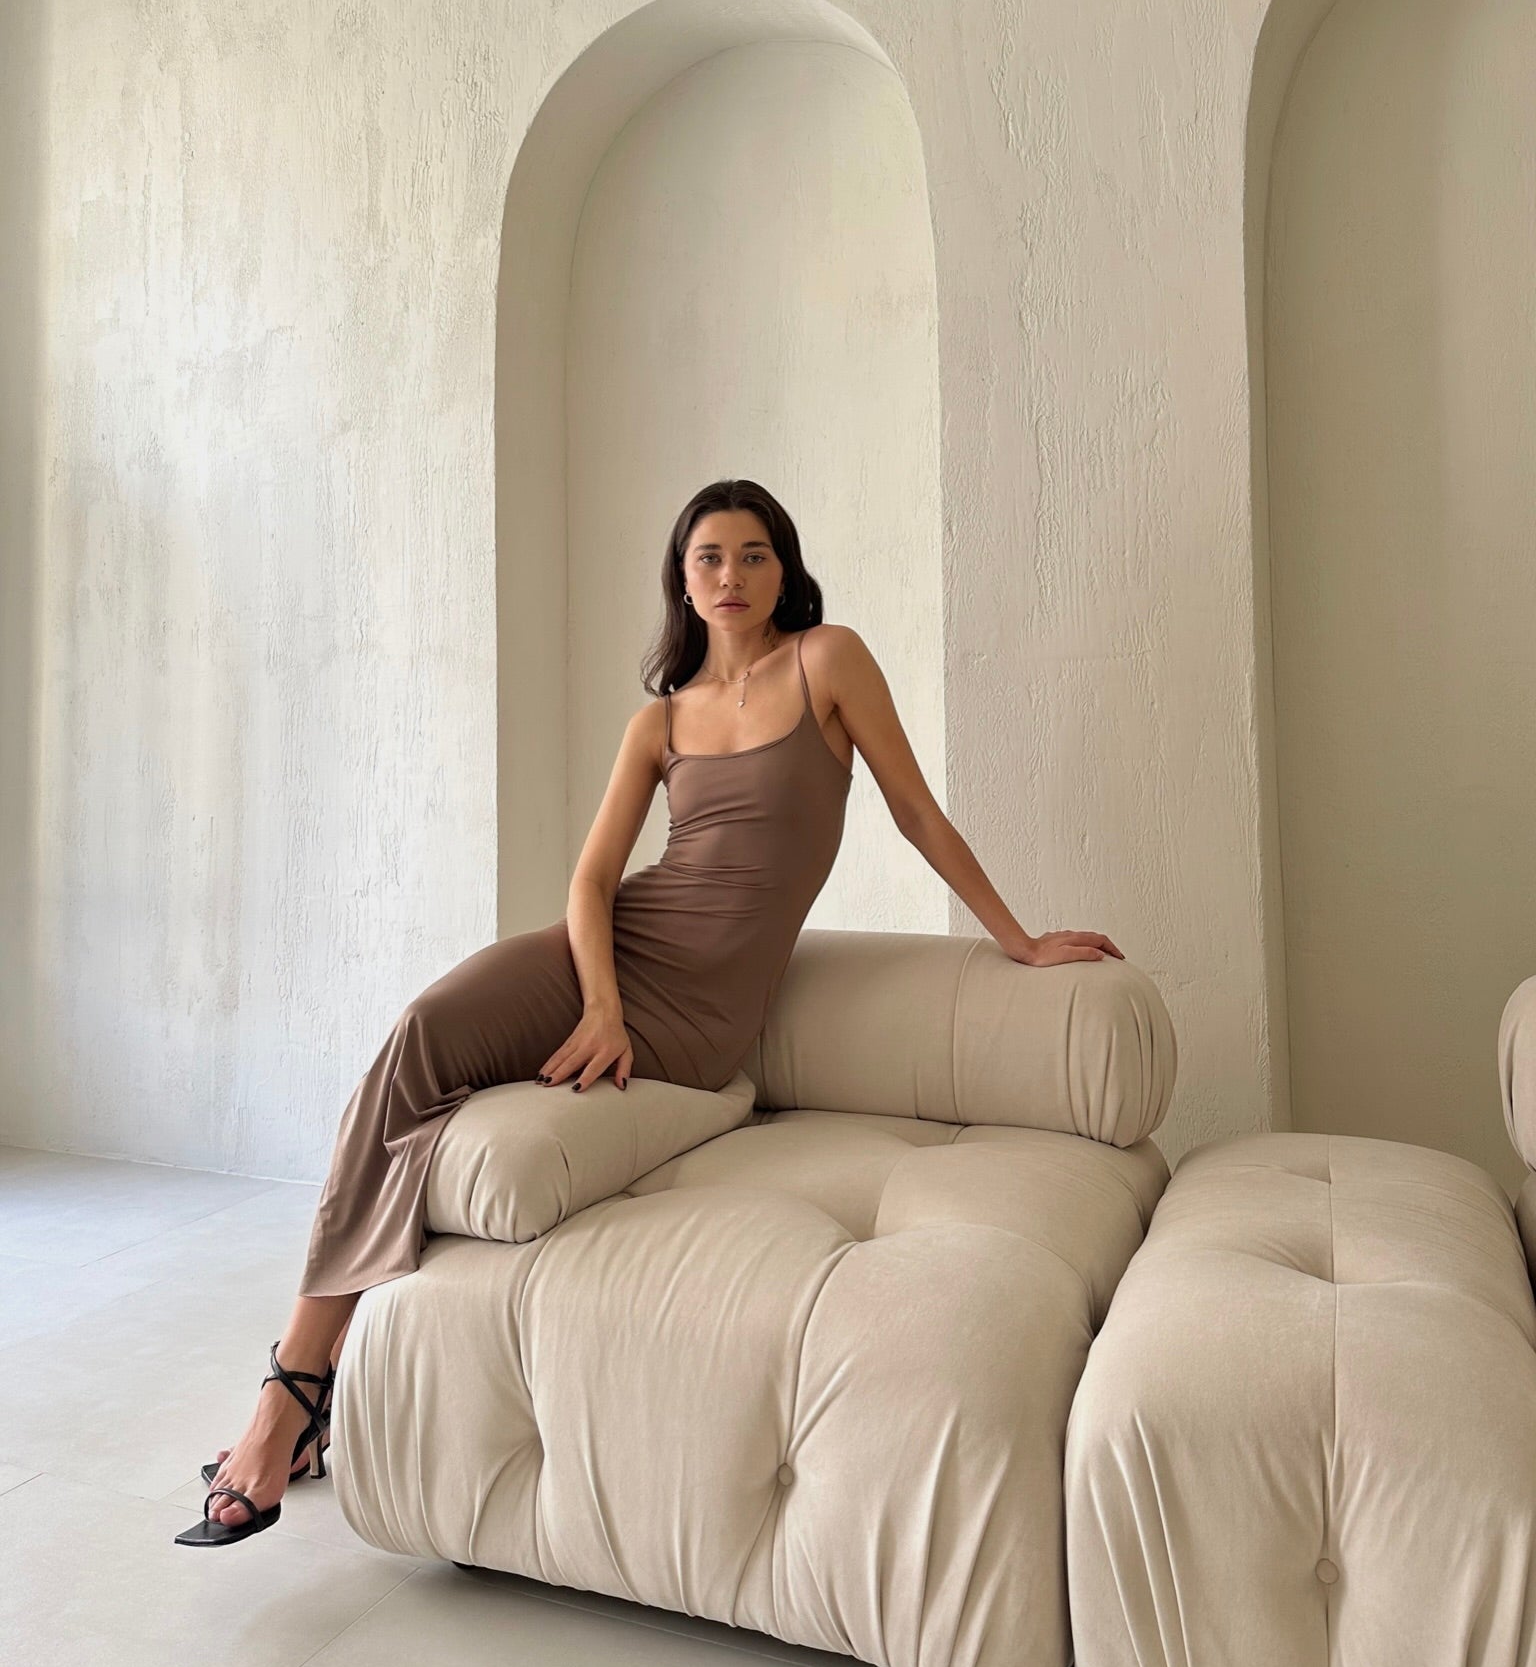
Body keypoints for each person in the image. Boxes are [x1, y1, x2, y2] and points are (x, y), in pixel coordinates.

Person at [178, 476, 1123, 1547]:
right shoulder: (659, 722)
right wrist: (601, 1005)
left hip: (701, 1014)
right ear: (682, 576)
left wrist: (1018, 938)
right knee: (422, 1040)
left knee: (435, 1071)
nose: (733, 574)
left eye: (755, 553)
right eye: (710, 556)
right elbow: (590, 883)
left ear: (785, 567)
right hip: (616, 956)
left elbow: (914, 810)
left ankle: (292, 1404)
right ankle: (298, 1385)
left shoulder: (830, 661)